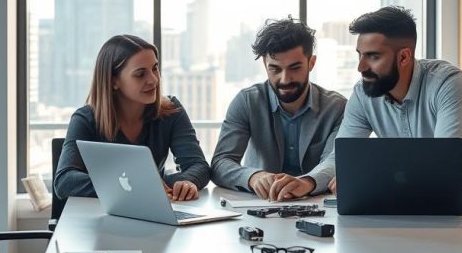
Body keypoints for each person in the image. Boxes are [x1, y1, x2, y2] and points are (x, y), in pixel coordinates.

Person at [268, 6, 462, 200]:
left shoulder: (448, 82)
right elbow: (341, 156)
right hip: (411, 198)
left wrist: (371, 178)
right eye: (360, 55)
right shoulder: (363, 94)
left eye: (373, 56)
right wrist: (307, 182)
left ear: (404, 57)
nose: (361, 67)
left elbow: (442, 162)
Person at [54, 34, 210, 201]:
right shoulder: (85, 119)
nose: (153, 79)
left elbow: (198, 166)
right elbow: (64, 182)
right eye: (140, 74)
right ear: (114, 81)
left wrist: (185, 182)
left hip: (151, 214)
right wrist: (134, 186)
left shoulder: (171, 111)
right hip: (97, 219)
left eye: (155, 68)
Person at [210, 18, 346, 199]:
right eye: (274, 69)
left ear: (311, 63)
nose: (284, 79)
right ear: (265, 65)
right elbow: (220, 163)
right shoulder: (247, 101)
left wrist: (306, 182)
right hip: (259, 208)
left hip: (318, 206)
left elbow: (335, 161)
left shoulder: (337, 107)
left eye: (294, 68)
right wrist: (253, 177)